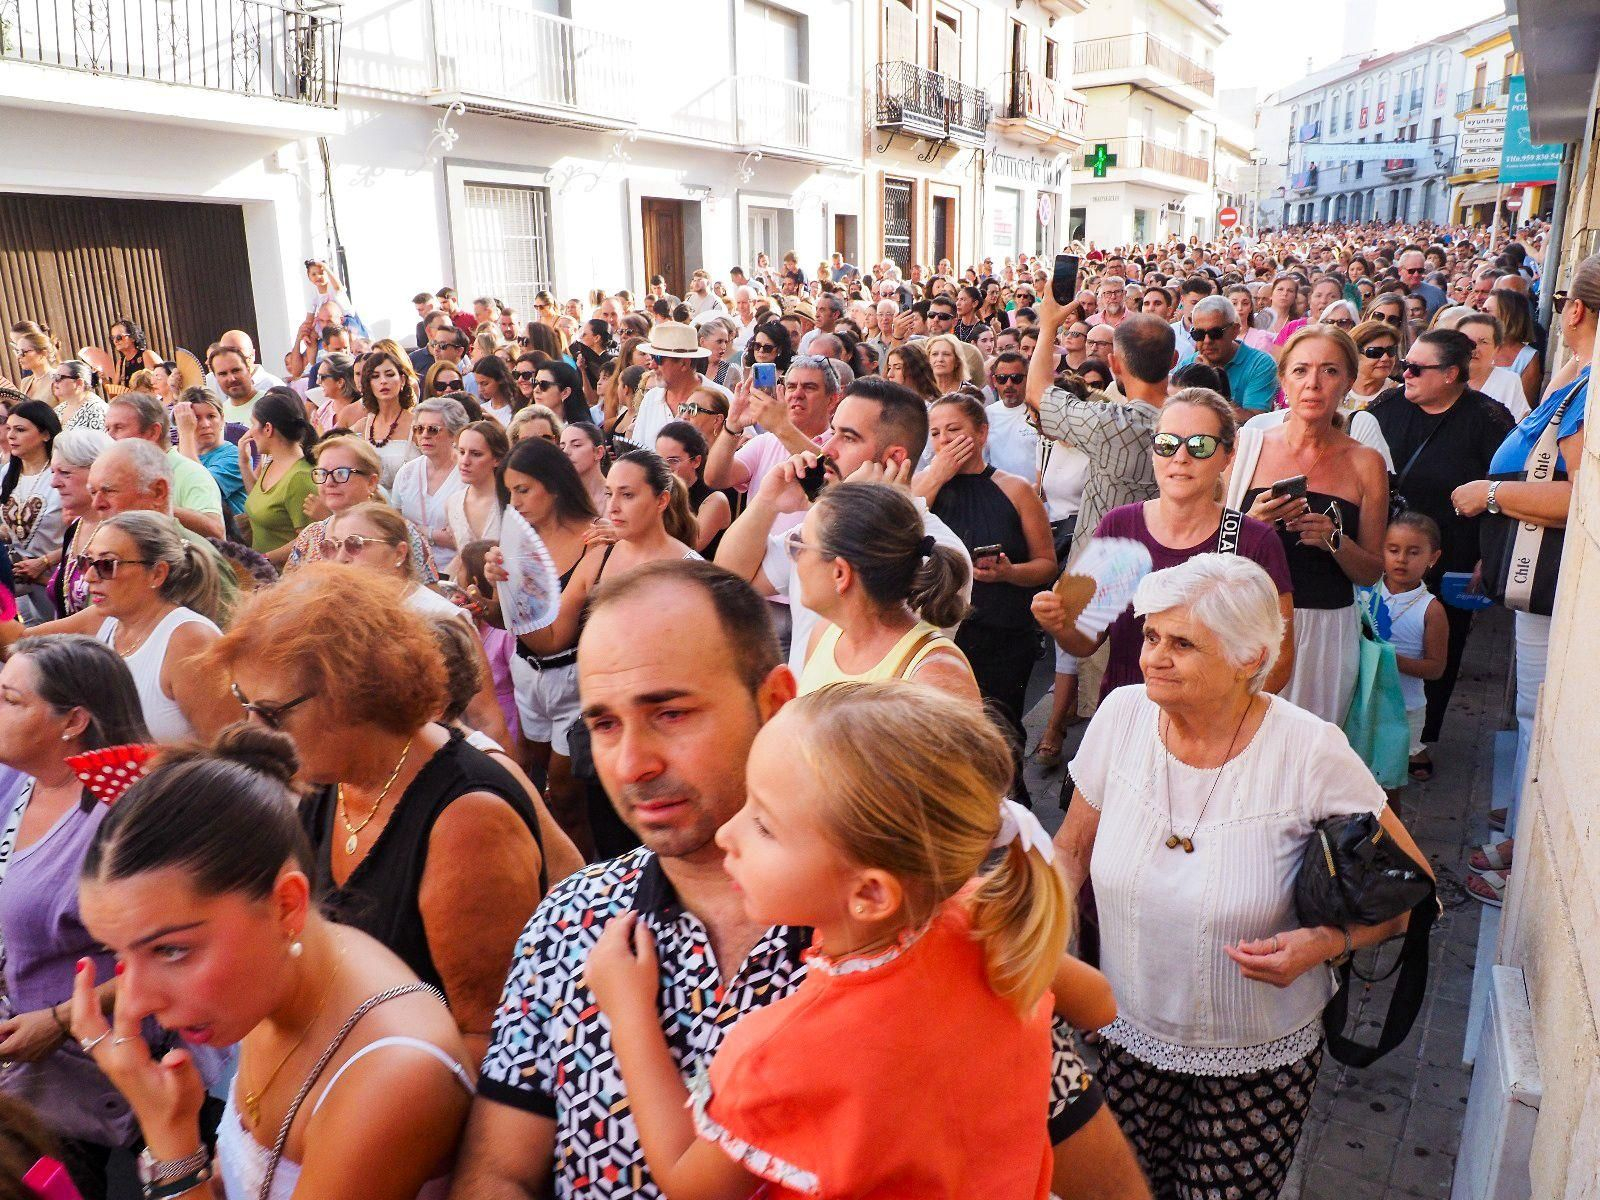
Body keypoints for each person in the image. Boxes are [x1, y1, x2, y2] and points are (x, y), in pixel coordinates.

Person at [457, 561, 1146, 1200]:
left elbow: (1101, 1175)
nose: (630, 762)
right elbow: (497, 1170)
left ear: (777, 700)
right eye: (604, 723)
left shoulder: (927, 924)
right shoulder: (574, 918)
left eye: (671, 713)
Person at [585, 681, 1078, 1197]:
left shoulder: (777, 1054)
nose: (728, 833)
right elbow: (1099, 1002)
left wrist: (628, 1013)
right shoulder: (987, 921)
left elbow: (690, 1183)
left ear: (869, 893)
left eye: (765, 825)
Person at [1055, 554, 1432, 1200]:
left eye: (1181, 644)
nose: (1153, 658)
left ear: (1247, 657)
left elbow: (1413, 884)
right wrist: (1048, 957)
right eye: (1150, 636)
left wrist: (1325, 945)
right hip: (1124, 1033)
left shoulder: (1308, 750)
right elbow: (1068, 853)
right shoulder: (1120, 718)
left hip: (1258, 1056)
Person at [70, 724, 476, 1200]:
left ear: (286, 905)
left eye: (170, 950)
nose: (134, 1003)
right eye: (118, 954)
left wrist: (169, 1138)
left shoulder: (394, 1078)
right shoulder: (278, 975)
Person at [206, 565, 546, 1058]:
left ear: (356, 693)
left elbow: (488, 1038)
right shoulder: (332, 777)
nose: (254, 727)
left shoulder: (468, 821)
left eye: (273, 712)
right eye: (245, 703)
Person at [1448, 252, 1597, 904]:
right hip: (1533, 581)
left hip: (1549, 580)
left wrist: (1491, 495)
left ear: (1575, 309)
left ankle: (1523, 863)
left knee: (1538, 715)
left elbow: (1580, 497)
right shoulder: (1580, 372)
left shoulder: (1590, 388)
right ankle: (1525, 837)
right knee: (1534, 714)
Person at [0, 636, 150, 1199]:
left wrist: (60, 1020)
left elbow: (167, 958)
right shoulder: (16, 779)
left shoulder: (125, 814)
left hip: (81, 1081)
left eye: (11, 700)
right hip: (20, 1070)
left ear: (74, 721)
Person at [1035, 389, 1295, 700]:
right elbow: (1086, 642)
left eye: (1200, 446)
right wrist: (1060, 624)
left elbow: (1278, 660)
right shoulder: (1121, 526)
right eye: (1167, 444)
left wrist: (1219, 716)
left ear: (1229, 454)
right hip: (1130, 714)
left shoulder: (1254, 541)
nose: (1181, 457)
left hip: (1210, 729)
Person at [715, 378, 974, 673]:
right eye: (833, 432)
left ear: (893, 459)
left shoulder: (936, 547)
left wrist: (840, 510)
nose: (828, 448)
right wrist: (767, 501)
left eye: (848, 437)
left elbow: (870, 644)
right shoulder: (826, 521)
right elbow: (731, 577)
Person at [1369, 329, 1514, 760]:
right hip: (1384, 549)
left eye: (1416, 368)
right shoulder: (1385, 408)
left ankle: (1419, 742)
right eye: (1404, 364)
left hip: (1455, 554)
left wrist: (1490, 557)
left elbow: (1507, 490)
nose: (1404, 374)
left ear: (1451, 374)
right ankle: (1372, 727)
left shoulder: (1489, 419)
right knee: (1377, 634)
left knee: (1439, 647)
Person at [1232, 327, 1388, 725]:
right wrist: (1252, 525)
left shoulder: (1365, 462)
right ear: (1283, 379)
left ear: (1349, 381)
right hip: (1250, 625)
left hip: (1326, 633)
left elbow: (1371, 571)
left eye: (1329, 371)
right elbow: (1211, 550)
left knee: (1308, 759)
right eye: (1301, 371)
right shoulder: (1248, 446)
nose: (1313, 384)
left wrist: (1333, 540)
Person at [916, 393, 1057, 800]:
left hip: (1001, 632)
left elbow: (1046, 564)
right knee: (944, 736)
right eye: (936, 433)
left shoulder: (1014, 489)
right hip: (940, 634)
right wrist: (938, 473)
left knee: (999, 730)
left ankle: (1015, 820)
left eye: (954, 430)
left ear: (981, 432)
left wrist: (1010, 572)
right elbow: (904, 515)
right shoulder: (924, 488)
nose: (945, 440)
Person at [492, 437, 601, 857]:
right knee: (542, 774)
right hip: (526, 671)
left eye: (524, 489)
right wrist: (489, 596)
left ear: (554, 486)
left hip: (573, 675)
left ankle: (587, 876)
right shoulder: (519, 539)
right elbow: (514, 624)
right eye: (510, 491)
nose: (515, 501)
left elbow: (556, 631)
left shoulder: (596, 536)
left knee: (566, 794)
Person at [790, 480, 977, 702]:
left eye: (800, 546)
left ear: (840, 573)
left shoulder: (933, 675)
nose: (796, 557)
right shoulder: (825, 635)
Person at [82, 511, 233, 742]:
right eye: (87, 562)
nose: (89, 576)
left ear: (157, 573)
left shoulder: (191, 639)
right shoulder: (106, 621)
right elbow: (20, 645)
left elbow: (230, 752)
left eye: (106, 564)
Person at [285, 435, 437, 583]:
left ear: (371, 482)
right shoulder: (310, 536)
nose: (329, 482)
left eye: (341, 473)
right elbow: (286, 595)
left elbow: (429, 599)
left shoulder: (402, 533)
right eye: (322, 473)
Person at [1374, 512, 1448, 783]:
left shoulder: (1431, 610)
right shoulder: (1366, 592)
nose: (1401, 559)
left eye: (1413, 552)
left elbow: (1436, 668)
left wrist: (1389, 659)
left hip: (1404, 708)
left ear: (1433, 557)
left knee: (1388, 782)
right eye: (1393, 550)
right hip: (1363, 702)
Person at [103, 391, 226, 541]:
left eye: (119, 428)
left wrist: (152, 505)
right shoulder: (124, 473)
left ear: (153, 432)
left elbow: (216, 531)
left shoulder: (190, 473)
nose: (109, 436)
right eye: (108, 429)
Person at [239, 387, 319, 566]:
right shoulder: (272, 462)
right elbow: (260, 503)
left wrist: (263, 560)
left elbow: (308, 539)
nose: (250, 432)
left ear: (267, 428)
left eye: (253, 424)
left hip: (286, 582)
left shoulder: (300, 477)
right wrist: (244, 464)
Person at [393, 397, 469, 573]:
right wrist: (439, 535)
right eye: (419, 429)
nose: (424, 435)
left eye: (433, 429)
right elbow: (397, 524)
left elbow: (467, 539)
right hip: (411, 569)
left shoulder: (466, 473)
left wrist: (421, 530)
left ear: (454, 433)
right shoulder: (407, 473)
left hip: (455, 571)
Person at [1178, 297, 1280, 423]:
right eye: (1198, 334)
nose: (1207, 341)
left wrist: (1213, 382)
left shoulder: (1260, 364)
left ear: (1235, 330)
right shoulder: (1188, 365)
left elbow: (1254, 423)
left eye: (1215, 333)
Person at [343, 343, 420, 490]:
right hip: (375, 509)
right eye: (375, 376)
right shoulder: (362, 426)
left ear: (402, 380)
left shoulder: (418, 425)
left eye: (390, 374)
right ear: (368, 384)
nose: (383, 381)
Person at [0, 400, 65, 567]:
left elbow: (83, 533)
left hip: (53, 578)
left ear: (46, 434)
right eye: (9, 429)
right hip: (15, 575)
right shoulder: (6, 472)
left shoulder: (63, 475)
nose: (11, 435)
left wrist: (45, 562)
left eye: (20, 430)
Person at [655, 420, 730, 557]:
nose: (664, 467)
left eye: (673, 460)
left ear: (696, 461)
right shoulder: (657, 493)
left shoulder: (714, 500)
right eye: (659, 460)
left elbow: (691, 547)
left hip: (700, 575)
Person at [172, 388, 247, 519]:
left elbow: (198, 488)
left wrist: (186, 433)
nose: (205, 424)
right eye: (196, 418)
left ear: (222, 418)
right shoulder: (174, 455)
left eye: (211, 416)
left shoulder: (235, 456)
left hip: (226, 534)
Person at [446, 420, 509, 551]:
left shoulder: (513, 501)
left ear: (497, 459)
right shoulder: (452, 503)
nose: (465, 461)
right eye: (461, 452)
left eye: (476, 454)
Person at [1458, 312, 1531, 421]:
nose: (1474, 348)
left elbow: (1518, 427)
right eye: (1466, 340)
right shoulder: (1441, 377)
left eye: (1483, 342)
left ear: (1497, 348)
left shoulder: (1509, 381)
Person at [1486, 288, 1544, 413]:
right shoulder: (1473, 348)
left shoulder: (1527, 358)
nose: (1480, 315)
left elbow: (1522, 411)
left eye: (1487, 311)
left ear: (1507, 315)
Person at [558, 420, 609, 514]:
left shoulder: (616, 497)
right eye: (562, 447)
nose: (566, 452)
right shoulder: (559, 500)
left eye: (576, 445)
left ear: (598, 452)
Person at [1347, 320, 1401, 409]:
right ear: (1354, 354)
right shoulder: (1336, 390)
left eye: (1391, 351)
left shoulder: (1400, 395)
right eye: (1375, 352)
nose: (1385, 358)